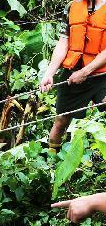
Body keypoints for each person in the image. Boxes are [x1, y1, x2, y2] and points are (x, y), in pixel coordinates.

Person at [40, 0, 106, 153]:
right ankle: (52, 162)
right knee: (61, 122)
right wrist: (49, 73)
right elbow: (63, 42)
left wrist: (85, 72)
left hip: (102, 73)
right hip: (73, 72)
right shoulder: (72, 6)